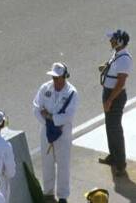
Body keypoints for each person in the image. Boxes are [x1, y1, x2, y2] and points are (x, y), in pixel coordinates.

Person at [33, 62, 78, 203]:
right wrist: (47, 123)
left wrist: (50, 117)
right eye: (53, 77)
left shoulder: (72, 93)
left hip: (63, 133)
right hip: (46, 130)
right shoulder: (45, 88)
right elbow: (36, 108)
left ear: (64, 77)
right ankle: (48, 193)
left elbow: (68, 116)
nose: (55, 80)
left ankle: (63, 196)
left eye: (57, 77)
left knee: (63, 165)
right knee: (47, 163)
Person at [98, 29, 130, 177]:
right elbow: (113, 69)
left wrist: (110, 100)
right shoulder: (117, 54)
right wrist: (106, 68)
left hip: (115, 97)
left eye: (113, 39)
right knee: (110, 127)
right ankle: (113, 156)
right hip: (109, 94)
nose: (110, 41)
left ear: (120, 42)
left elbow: (120, 82)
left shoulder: (124, 59)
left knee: (115, 129)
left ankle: (120, 164)